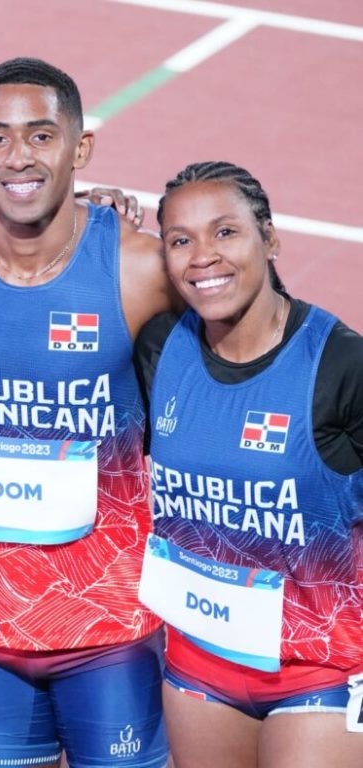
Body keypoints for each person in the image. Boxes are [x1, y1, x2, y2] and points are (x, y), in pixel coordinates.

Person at [0, 57, 178, 768]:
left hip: (112, 626)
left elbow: (213, 397)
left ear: (80, 149)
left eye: (42, 136)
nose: (18, 155)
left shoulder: (140, 269)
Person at [134, 161, 363, 767]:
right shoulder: (160, 349)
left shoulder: (342, 365)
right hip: (198, 662)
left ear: (270, 239)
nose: (203, 256)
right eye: (180, 240)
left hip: (320, 670)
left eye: (226, 232)